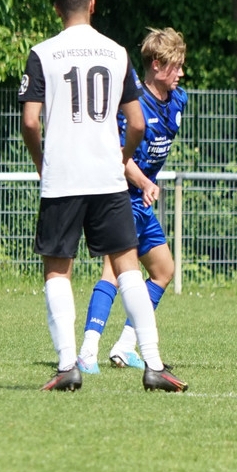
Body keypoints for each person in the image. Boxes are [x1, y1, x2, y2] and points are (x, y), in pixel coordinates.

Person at [18, 0, 187, 392]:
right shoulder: (117, 53)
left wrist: (41, 162)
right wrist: (121, 158)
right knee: (128, 268)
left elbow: (30, 121)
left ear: (56, 8)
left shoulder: (42, 53)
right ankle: (153, 364)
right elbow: (136, 123)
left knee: (59, 271)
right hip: (108, 178)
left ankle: (68, 365)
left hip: (63, 176)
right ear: (92, 5)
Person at [76, 27, 188, 373]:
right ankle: (87, 351)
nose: (181, 73)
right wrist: (144, 182)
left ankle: (125, 347)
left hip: (141, 199)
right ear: (156, 65)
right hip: (118, 196)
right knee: (114, 271)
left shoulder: (179, 100)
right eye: (176, 66)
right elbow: (116, 155)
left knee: (163, 270)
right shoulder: (133, 103)